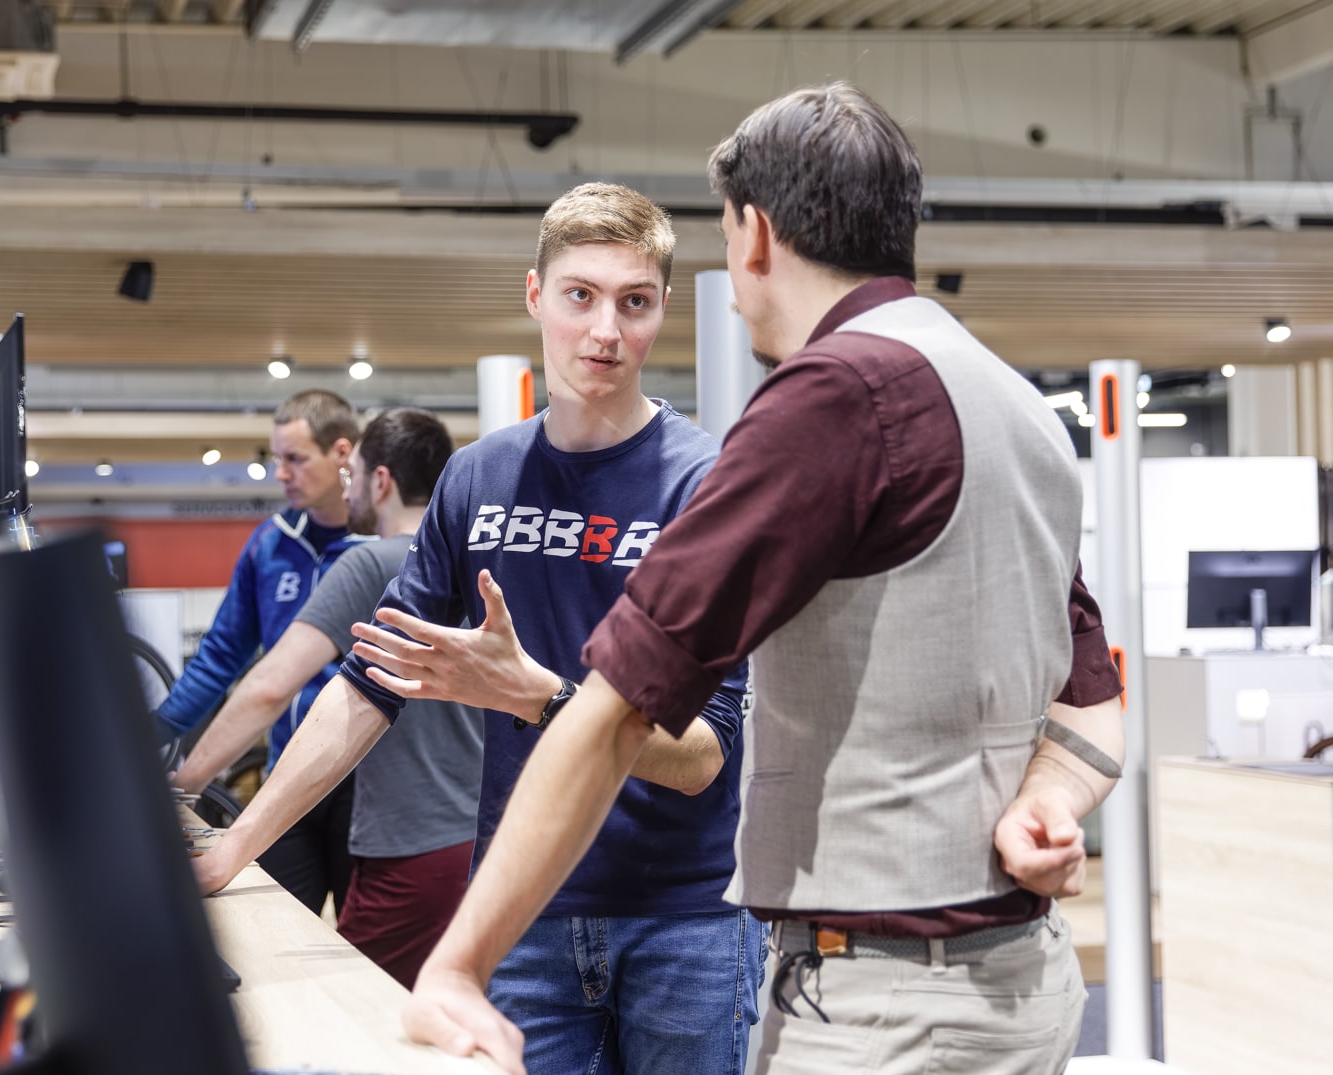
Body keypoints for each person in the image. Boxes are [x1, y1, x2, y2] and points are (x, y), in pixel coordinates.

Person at [399, 83, 1128, 1075]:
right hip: (1022, 988)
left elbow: (618, 712)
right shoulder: (1016, 402)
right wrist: (1049, 800)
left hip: (883, 1009)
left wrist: (458, 964)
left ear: (755, 235)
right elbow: (1093, 695)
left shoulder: (833, 397)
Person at [195, 183, 763, 1075]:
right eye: (580, 295)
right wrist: (233, 846)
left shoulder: (703, 483)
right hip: (524, 911)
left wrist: (540, 697)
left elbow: (702, 757)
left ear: (662, 308)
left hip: (682, 919)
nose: (605, 331)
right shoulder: (479, 478)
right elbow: (368, 685)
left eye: (634, 302)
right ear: (535, 295)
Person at [172, 407, 483, 988]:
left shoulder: (370, 562)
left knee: (354, 1006)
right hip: (472, 839)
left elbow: (269, 686)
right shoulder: (473, 563)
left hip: (406, 845)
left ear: (381, 481)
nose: (349, 488)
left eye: (354, 474)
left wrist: (183, 784)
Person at [155, 388, 368, 917]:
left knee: (364, 947)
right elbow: (219, 657)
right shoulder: (269, 545)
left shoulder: (385, 546)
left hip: (368, 786)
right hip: (286, 773)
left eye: (295, 458)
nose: (281, 473)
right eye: (277, 458)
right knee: (268, 922)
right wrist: (153, 735)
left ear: (342, 453)